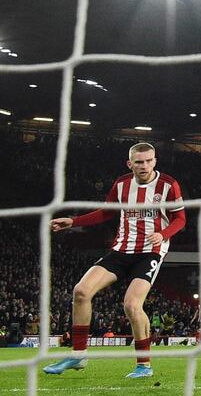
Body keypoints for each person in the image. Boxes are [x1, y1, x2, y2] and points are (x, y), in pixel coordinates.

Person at [44, 142, 186, 378]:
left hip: (150, 252)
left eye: (149, 160)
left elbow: (180, 219)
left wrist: (163, 234)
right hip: (121, 250)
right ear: (129, 164)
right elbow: (106, 212)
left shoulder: (168, 185)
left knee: (131, 305)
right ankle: (78, 356)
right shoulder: (122, 184)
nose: (144, 165)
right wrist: (73, 221)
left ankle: (144, 365)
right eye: (139, 162)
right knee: (81, 291)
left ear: (155, 161)